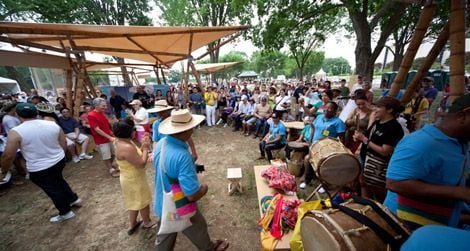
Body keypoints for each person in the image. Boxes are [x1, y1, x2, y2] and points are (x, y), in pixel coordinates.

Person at [384, 93, 470, 229]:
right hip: (404, 227)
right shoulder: (422, 142)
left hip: (437, 225)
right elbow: (395, 183)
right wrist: (459, 193)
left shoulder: (461, 142)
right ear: (463, 116)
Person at [153, 109, 229, 250]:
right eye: (191, 127)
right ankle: (210, 248)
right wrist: (203, 189)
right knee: (197, 225)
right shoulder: (182, 156)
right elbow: (191, 196)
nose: (193, 130)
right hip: (180, 205)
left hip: (163, 201)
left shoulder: (161, 144)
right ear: (186, 131)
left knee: (165, 233)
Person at [0, 103, 81, 223]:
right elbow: (63, 142)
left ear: (17, 115)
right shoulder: (52, 124)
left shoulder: (15, 132)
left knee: (53, 189)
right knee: (59, 180)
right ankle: (73, 199)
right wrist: (61, 155)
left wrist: (3, 171)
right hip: (58, 160)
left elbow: (8, 155)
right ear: (37, 113)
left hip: (39, 167)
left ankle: (65, 212)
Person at [353, 97, 405, 202]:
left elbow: (385, 151)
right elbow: (366, 139)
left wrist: (364, 139)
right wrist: (358, 138)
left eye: (379, 107)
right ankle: (365, 204)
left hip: (378, 167)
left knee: (377, 192)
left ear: (389, 110)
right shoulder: (377, 123)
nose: (375, 109)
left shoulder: (394, 128)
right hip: (366, 159)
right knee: (363, 183)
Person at [113, 119, 156, 235]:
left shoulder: (122, 141)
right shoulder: (126, 147)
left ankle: (133, 224)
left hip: (129, 177)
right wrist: (146, 147)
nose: (135, 131)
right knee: (142, 200)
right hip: (134, 178)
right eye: (133, 129)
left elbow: (136, 156)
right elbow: (141, 163)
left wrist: (142, 145)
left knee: (133, 201)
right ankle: (147, 222)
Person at [300, 102, 346, 189]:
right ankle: (307, 180)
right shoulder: (319, 117)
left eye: (329, 108)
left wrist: (339, 151)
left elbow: (342, 138)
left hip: (327, 148)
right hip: (315, 146)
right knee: (308, 159)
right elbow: (313, 127)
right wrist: (310, 140)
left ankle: (324, 184)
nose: (326, 110)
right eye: (325, 107)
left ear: (335, 111)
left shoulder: (338, 122)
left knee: (324, 165)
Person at [88, 98, 119, 177]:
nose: (105, 107)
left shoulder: (102, 113)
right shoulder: (91, 115)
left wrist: (111, 133)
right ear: (96, 106)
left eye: (105, 105)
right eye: (103, 106)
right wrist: (109, 137)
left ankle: (111, 165)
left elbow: (106, 126)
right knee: (106, 155)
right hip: (101, 140)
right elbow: (97, 129)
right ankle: (111, 169)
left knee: (112, 153)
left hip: (108, 137)